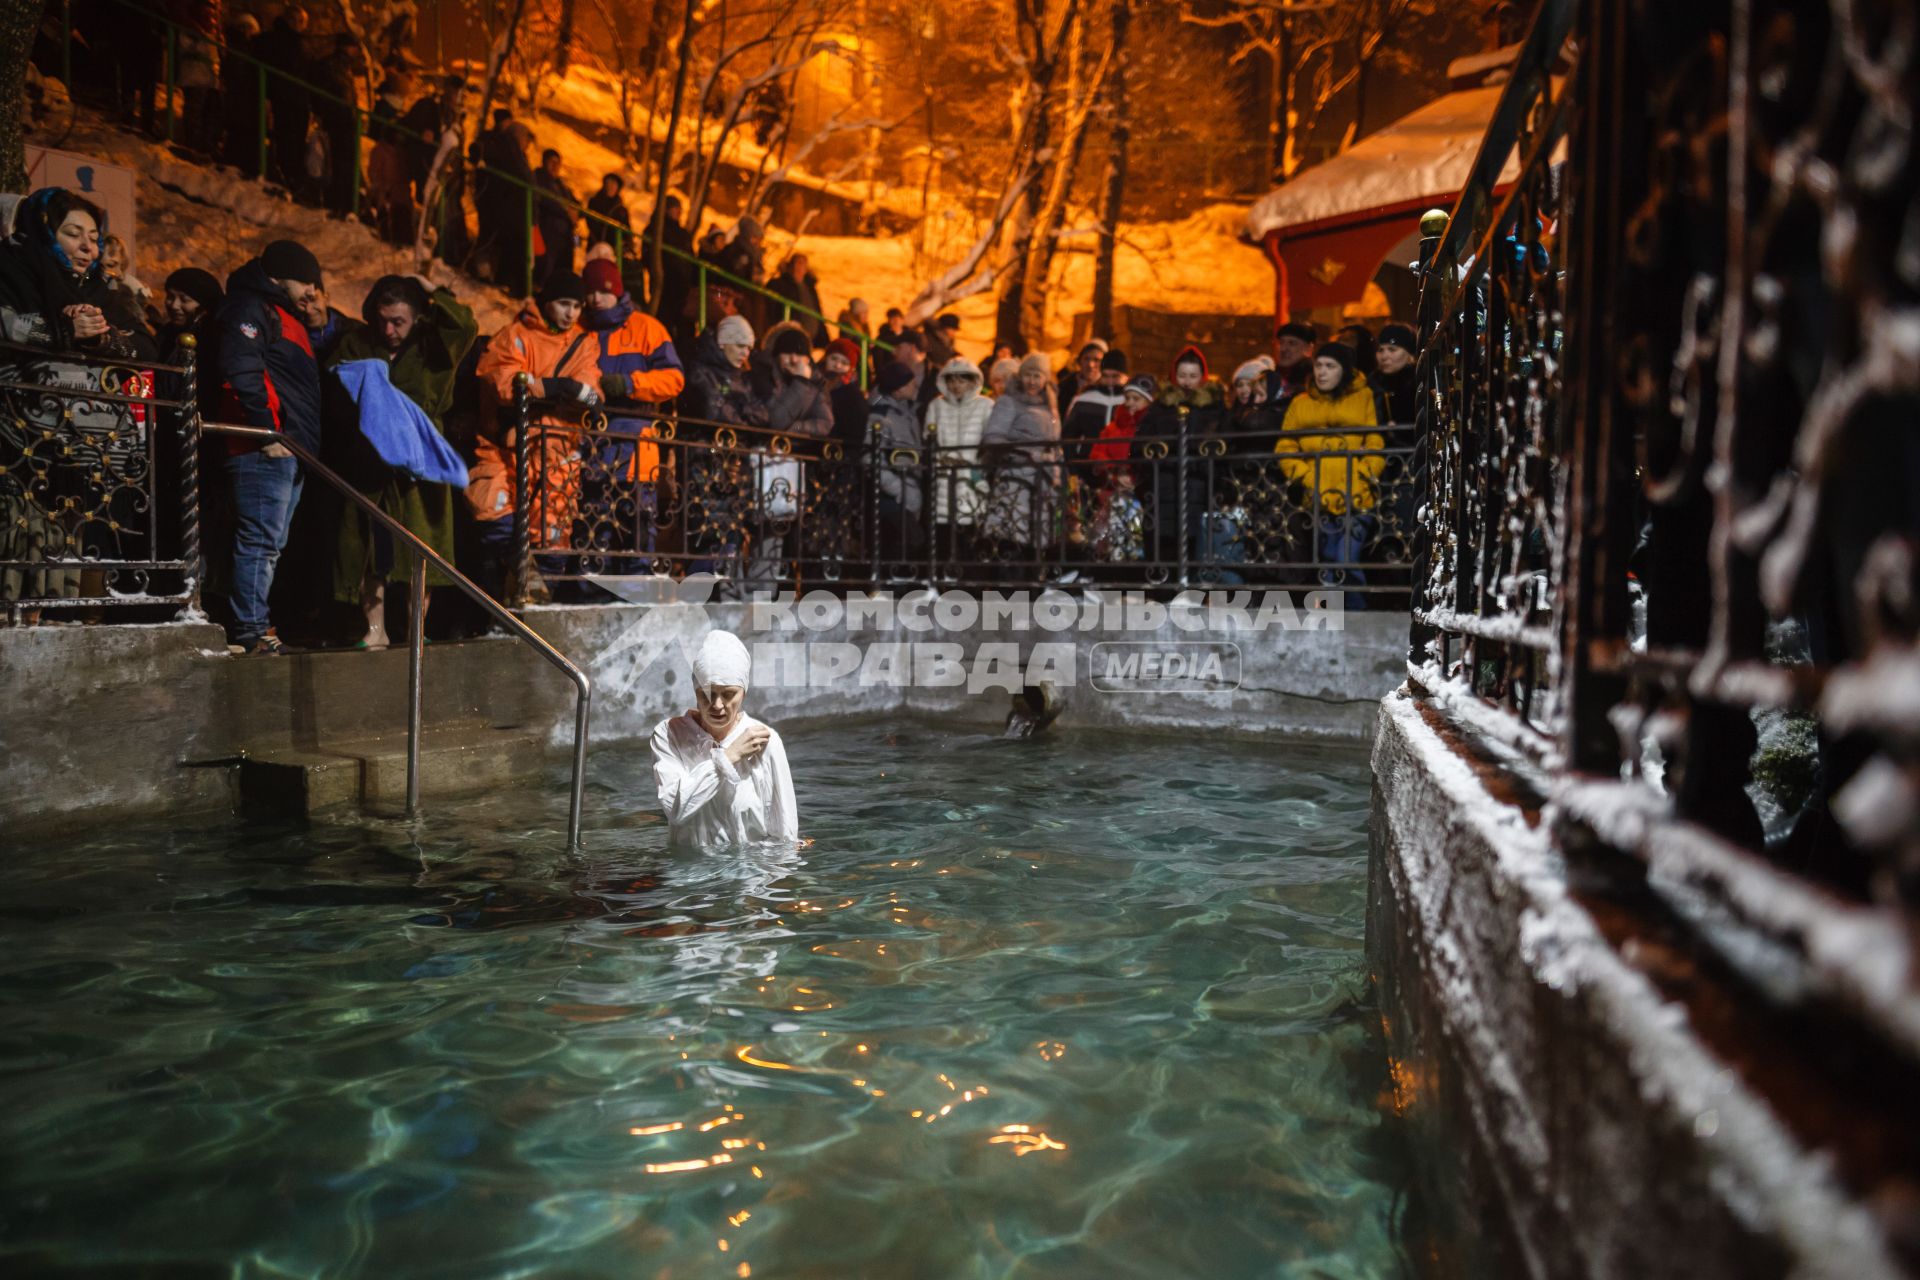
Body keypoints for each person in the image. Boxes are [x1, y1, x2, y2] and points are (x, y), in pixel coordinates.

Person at [0, 189, 157, 610]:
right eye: (73, 234)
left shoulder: (103, 290)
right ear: (44, 232)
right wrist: (62, 331)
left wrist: (104, 335)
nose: (89, 247)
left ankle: (82, 611)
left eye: (94, 236)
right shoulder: (13, 269)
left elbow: (146, 347)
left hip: (97, 447)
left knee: (87, 531)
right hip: (25, 439)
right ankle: (29, 612)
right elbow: (7, 325)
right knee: (30, 532)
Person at [327, 275, 479, 647]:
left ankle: (416, 631)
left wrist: (436, 294)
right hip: (371, 460)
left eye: (399, 321)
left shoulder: (433, 347)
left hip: (420, 459)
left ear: (416, 318)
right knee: (369, 547)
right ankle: (374, 629)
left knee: (421, 548)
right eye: (383, 320)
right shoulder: (359, 342)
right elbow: (335, 383)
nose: (389, 329)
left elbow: (465, 326)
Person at [212, 239, 326, 653]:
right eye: (305, 281)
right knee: (260, 541)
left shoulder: (283, 314)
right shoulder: (250, 307)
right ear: (279, 277)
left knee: (269, 544)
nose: (311, 291)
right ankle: (250, 629)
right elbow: (242, 369)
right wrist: (268, 433)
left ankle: (256, 625)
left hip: (287, 449)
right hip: (264, 448)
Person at [467, 271, 603, 602]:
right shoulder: (516, 335)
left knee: (553, 538)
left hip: (558, 453)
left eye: (577, 306)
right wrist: (558, 388)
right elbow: (503, 380)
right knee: (496, 519)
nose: (571, 313)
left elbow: (589, 389)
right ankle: (495, 608)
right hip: (507, 448)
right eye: (564, 304)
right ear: (546, 302)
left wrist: (552, 387)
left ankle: (538, 612)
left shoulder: (584, 343)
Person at [580, 257, 685, 568]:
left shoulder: (646, 328)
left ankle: (636, 586)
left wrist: (629, 383)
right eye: (590, 291)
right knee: (594, 519)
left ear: (617, 291)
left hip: (635, 438)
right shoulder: (579, 330)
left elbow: (673, 378)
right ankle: (592, 588)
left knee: (637, 519)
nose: (595, 298)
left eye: (603, 290)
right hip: (590, 438)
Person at [651, 629, 797, 849]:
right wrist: (727, 757)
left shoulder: (765, 740)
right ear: (695, 690)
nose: (717, 705)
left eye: (728, 694)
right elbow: (675, 810)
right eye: (707, 694)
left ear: (744, 693)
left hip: (750, 875)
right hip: (689, 875)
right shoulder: (669, 734)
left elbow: (785, 830)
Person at [1274, 341, 1384, 606]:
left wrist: (1363, 473)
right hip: (1318, 497)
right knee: (1328, 563)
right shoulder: (1301, 403)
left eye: (1330, 366)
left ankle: (1358, 620)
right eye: (1319, 365)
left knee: (1345, 557)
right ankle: (1339, 621)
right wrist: (1305, 476)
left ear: (1343, 370)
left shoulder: (1364, 396)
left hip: (1356, 496)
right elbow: (1285, 445)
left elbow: (1375, 442)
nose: (1322, 372)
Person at [977, 353, 1061, 572]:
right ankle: (1010, 587)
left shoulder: (1050, 406)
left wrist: (1059, 472)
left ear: (1045, 379)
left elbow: (1056, 443)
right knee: (1012, 534)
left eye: (1037, 376)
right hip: (1016, 476)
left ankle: (1032, 586)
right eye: (1028, 375)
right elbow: (993, 436)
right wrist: (1018, 450)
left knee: (1035, 537)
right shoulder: (1008, 401)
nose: (1032, 381)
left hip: (1043, 480)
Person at [925, 356, 991, 572]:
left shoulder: (985, 406)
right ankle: (944, 580)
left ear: (973, 382)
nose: (956, 385)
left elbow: (990, 443)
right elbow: (928, 440)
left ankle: (969, 582)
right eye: (952, 380)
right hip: (944, 477)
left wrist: (978, 469)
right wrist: (940, 460)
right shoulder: (936, 405)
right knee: (944, 531)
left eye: (961, 380)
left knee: (970, 531)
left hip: (972, 477)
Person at [1087, 374, 1156, 565]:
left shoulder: (1150, 426)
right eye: (1128, 398)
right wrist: (1114, 472)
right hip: (1114, 491)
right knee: (1116, 535)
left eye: (1137, 399)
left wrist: (1136, 476)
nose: (1131, 403)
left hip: (1142, 493)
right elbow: (1097, 453)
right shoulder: (1114, 427)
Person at [867, 360, 926, 566]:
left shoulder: (908, 413)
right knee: (908, 541)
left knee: (904, 546)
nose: (915, 386)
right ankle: (888, 588)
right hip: (892, 495)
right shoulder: (880, 414)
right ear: (898, 388)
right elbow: (870, 457)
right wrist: (897, 489)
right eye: (910, 383)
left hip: (908, 490)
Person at [533, 149, 578, 288]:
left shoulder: (562, 185)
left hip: (565, 234)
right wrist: (567, 211)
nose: (555, 166)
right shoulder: (538, 178)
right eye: (552, 162)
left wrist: (575, 211)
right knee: (546, 266)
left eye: (558, 163)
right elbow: (546, 200)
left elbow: (576, 204)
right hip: (547, 229)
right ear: (544, 163)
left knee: (564, 267)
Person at [767, 253, 824, 344]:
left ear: (805, 269)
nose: (796, 266)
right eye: (794, 263)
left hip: (812, 335)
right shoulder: (779, 284)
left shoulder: (810, 287)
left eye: (800, 263)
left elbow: (817, 310)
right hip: (790, 332)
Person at [1372, 323, 1418, 426]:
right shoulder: (1371, 384)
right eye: (1380, 350)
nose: (1384, 356)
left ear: (1410, 354)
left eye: (1392, 349)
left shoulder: (1421, 383)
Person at [1265, 322, 1317, 405]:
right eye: (1281, 343)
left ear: (1308, 349)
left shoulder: (1315, 382)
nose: (1283, 349)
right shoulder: (1270, 378)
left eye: (1292, 343)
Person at [299, 280, 351, 363]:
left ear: (326, 298)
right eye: (302, 303)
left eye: (313, 300)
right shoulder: (292, 338)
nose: (308, 310)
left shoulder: (355, 331)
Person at [587, 173, 632, 245]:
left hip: (614, 250)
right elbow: (591, 224)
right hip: (596, 245)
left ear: (618, 188)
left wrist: (625, 243)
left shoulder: (622, 210)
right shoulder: (594, 202)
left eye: (614, 184)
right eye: (609, 183)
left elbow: (627, 230)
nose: (611, 187)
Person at [1057, 341, 1103, 409]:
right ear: (1080, 361)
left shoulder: (1107, 387)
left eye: (1096, 360)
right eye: (1086, 359)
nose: (1090, 365)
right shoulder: (1064, 386)